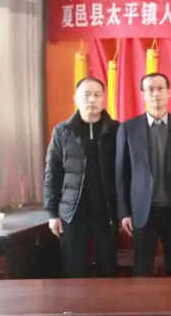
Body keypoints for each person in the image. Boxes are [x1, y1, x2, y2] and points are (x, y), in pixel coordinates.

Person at [115, 72, 171, 277]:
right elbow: (122, 173)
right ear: (143, 94)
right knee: (142, 271)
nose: (155, 93)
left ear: (169, 92)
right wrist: (124, 212)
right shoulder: (128, 128)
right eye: (150, 89)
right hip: (143, 211)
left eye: (160, 88)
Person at [44, 77, 120, 278]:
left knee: (108, 269)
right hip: (72, 211)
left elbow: (126, 174)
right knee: (73, 269)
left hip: (106, 211)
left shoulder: (117, 130)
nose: (92, 100)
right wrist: (52, 213)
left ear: (104, 98)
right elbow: (52, 173)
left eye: (97, 95)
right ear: (76, 99)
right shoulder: (62, 131)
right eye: (86, 95)